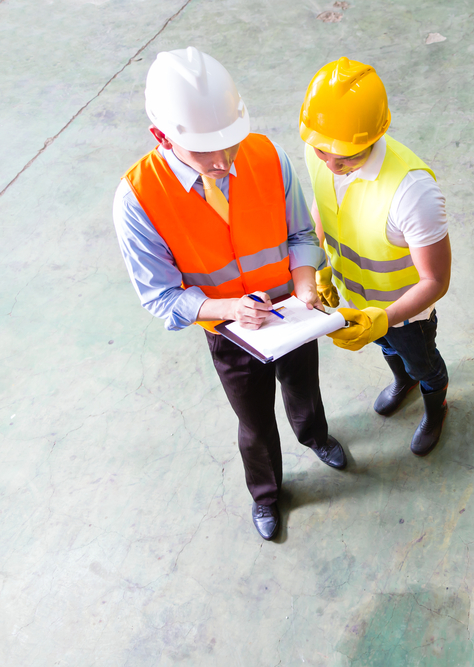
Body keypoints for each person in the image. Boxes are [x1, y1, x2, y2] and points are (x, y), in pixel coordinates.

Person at [112, 47, 347, 541]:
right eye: (204, 152)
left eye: (230, 145)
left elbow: (302, 236)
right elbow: (160, 296)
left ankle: (315, 435)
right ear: (161, 136)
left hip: (294, 312)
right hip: (228, 332)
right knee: (255, 421)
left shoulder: (265, 155)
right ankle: (266, 494)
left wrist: (304, 284)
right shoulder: (139, 199)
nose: (223, 163)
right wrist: (227, 309)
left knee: (304, 387)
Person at [300, 58, 451, 456]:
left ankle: (435, 408)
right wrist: (320, 268)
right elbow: (323, 204)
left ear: (376, 133)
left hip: (406, 312)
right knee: (386, 347)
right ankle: (405, 382)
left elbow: (435, 281)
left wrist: (383, 317)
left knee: (423, 361)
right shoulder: (321, 149)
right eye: (321, 151)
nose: (330, 164)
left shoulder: (412, 192)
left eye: (345, 156)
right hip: (357, 299)